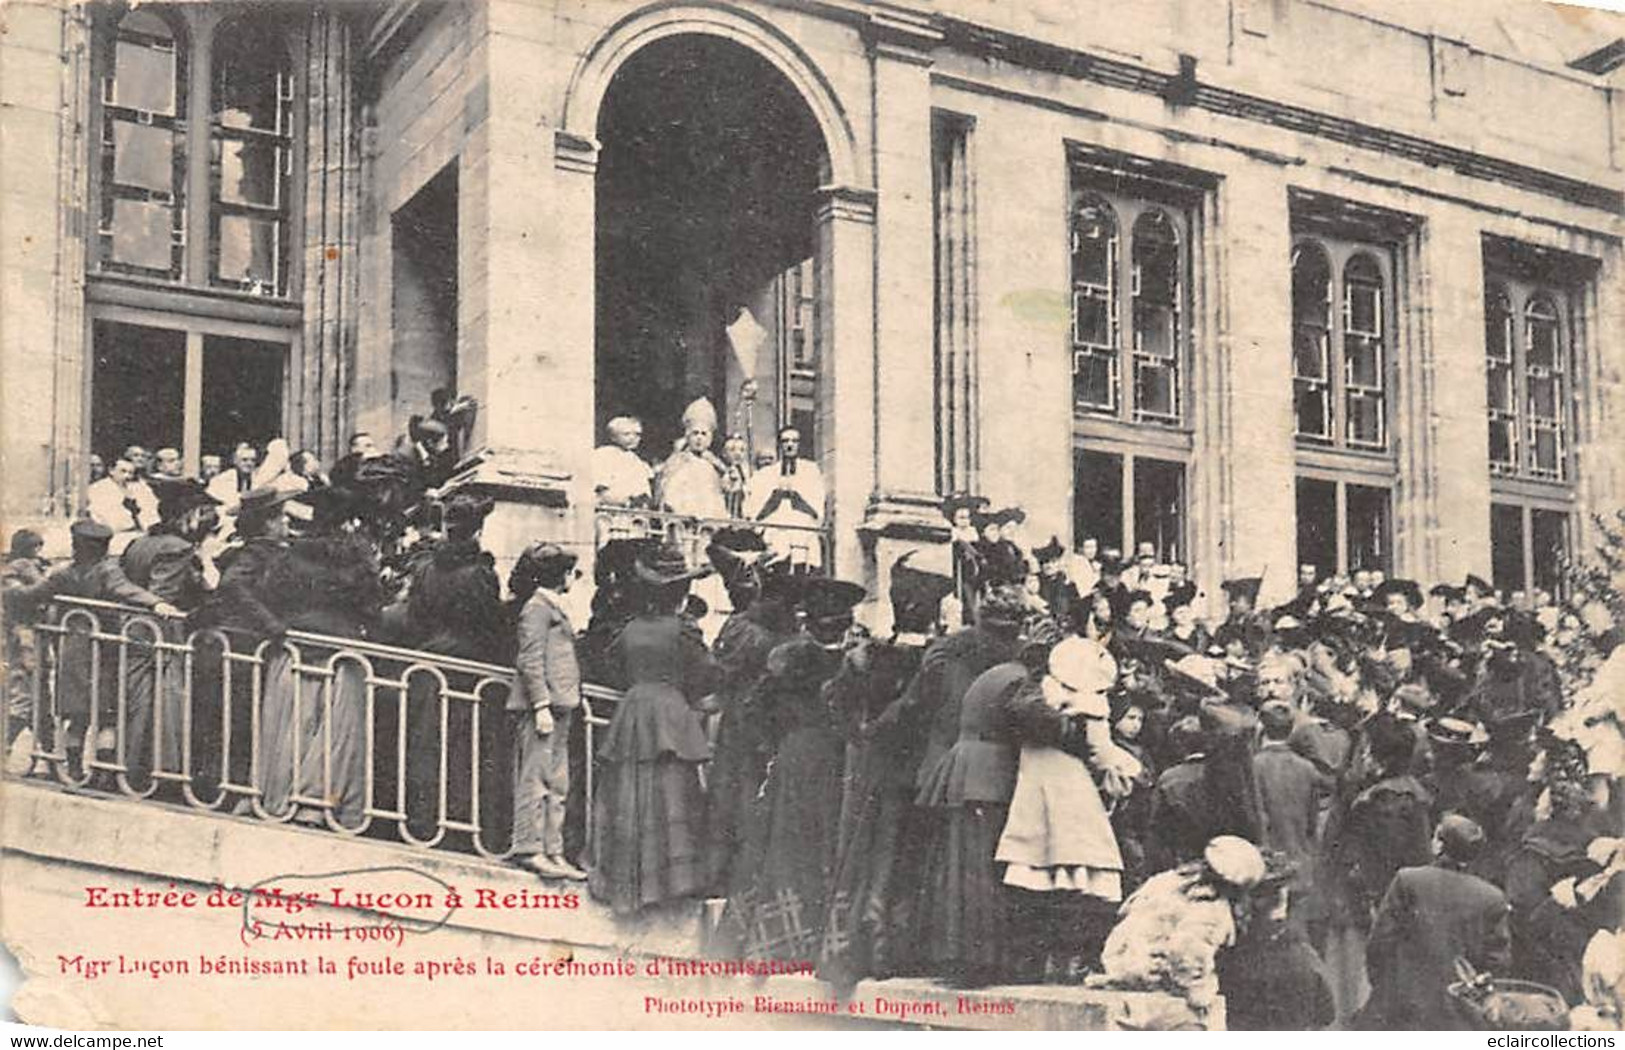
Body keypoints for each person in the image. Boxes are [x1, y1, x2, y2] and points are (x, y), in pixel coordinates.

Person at [818, 551, 953, 988]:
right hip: (920, 773)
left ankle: (860, 945)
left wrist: (862, 736)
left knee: (874, 854)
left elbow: (835, 702)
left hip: (875, 769)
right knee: (910, 859)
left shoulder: (867, 655)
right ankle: (893, 948)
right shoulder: (936, 661)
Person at [724, 575, 866, 961]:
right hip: (841, 761)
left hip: (794, 757)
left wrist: (775, 747)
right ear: (846, 623)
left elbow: (754, 710)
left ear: (809, 621)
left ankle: (778, 938)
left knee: (783, 845)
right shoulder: (856, 663)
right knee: (831, 844)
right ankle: (823, 940)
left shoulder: (787, 658)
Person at [997, 636, 1140, 980]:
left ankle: (1040, 958)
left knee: (1036, 866)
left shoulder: (1040, 693)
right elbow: (1099, 751)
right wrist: (1125, 770)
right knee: (1081, 869)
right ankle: (1071, 957)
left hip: (1033, 780)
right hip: (1070, 785)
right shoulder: (1091, 704)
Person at [589, 543, 719, 914]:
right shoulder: (683, 631)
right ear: (680, 593)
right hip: (669, 710)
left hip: (633, 710)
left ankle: (627, 883)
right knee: (672, 793)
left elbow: (612, 669)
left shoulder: (629, 629)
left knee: (631, 793)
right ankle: (670, 882)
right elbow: (705, 674)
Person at [3, 520, 177, 774]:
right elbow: (126, 590)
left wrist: (9, 591)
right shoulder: (107, 571)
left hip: (72, 648)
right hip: (104, 648)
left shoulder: (63, 573)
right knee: (108, 716)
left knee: (77, 717)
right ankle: (102, 772)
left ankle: (74, 770)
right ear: (103, 548)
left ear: (77, 546)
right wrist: (156, 603)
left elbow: (33, 595)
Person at [255, 489, 381, 828]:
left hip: (298, 644)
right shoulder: (358, 556)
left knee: (292, 725)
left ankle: (281, 799)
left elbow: (272, 593)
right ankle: (318, 804)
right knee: (336, 731)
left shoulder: (293, 554)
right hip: (342, 650)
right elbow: (371, 604)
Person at [1360, 814, 1512, 1029]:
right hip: (1459, 1013)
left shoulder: (1408, 880)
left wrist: (1384, 989)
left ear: (1439, 845)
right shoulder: (1492, 896)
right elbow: (1497, 963)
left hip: (1404, 1005)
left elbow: (1380, 943)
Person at [120, 478, 221, 787]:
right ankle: (160, 773)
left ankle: (133, 769)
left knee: (138, 704)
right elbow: (164, 594)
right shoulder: (177, 548)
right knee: (161, 705)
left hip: (134, 631)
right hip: (162, 636)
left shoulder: (139, 542)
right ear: (186, 515)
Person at [506, 542, 586, 880]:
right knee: (536, 778)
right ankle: (529, 846)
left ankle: (553, 850)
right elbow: (530, 658)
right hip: (546, 706)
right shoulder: (537, 608)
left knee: (557, 782)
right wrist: (540, 705)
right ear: (560, 575)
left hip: (560, 704)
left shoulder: (551, 605)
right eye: (569, 572)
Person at [744, 425, 825, 567]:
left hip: (802, 533)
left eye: (794, 441)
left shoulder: (810, 470)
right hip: (776, 534)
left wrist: (797, 499)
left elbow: (817, 510)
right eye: (785, 441)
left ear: (799, 444)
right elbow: (756, 515)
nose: (790, 445)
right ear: (779, 445)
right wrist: (774, 499)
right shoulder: (767, 474)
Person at [655, 397, 728, 519]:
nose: (699, 438)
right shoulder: (677, 462)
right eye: (695, 433)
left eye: (704, 434)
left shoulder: (715, 465)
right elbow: (669, 493)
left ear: (710, 439)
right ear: (687, 436)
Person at [86, 456, 158, 538]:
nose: (127, 476)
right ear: (111, 471)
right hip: (116, 535)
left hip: (143, 534)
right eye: (123, 471)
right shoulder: (98, 489)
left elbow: (151, 509)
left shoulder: (138, 488)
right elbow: (105, 518)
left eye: (130, 473)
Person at [591, 416, 653, 506]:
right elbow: (600, 489)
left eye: (637, 434)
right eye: (626, 434)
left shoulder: (637, 461)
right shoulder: (604, 455)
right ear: (613, 437)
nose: (633, 438)